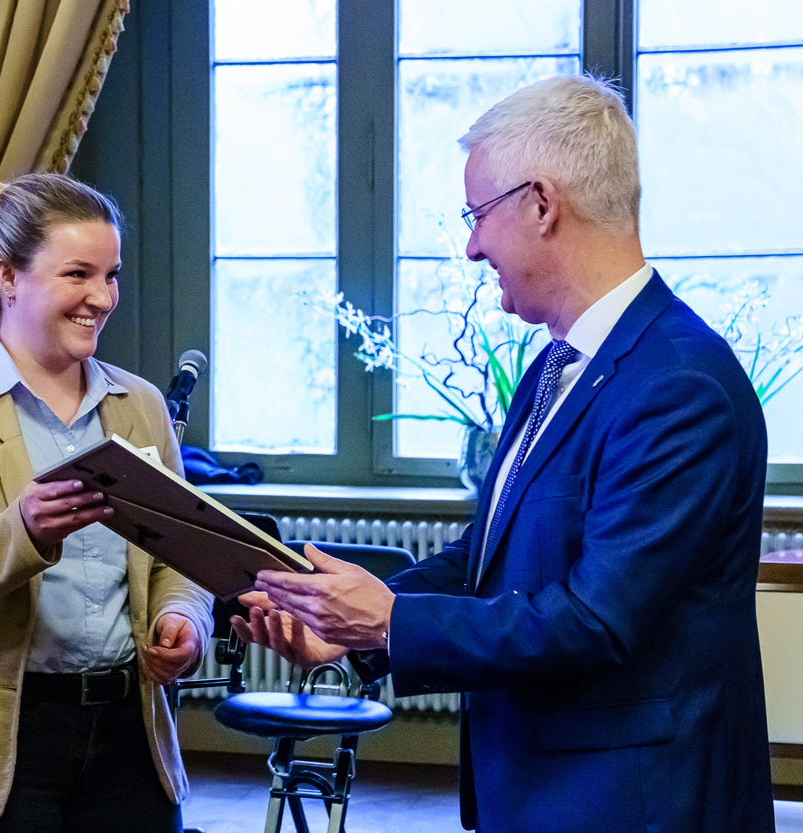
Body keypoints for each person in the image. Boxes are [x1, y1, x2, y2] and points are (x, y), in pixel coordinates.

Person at [241, 75, 773, 833]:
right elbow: (490, 556)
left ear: (542, 204)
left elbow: (596, 621)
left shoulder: (679, 384)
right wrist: (346, 624)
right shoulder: (556, 364)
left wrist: (391, 622)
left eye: (478, 214)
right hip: (541, 792)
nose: (471, 246)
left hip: (632, 805)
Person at [0, 173, 214, 831]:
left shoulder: (141, 405)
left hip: (130, 736)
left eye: (111, 276)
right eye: (78, 274)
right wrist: (22, 532)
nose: (101, 298)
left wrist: (184, 618)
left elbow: (183, 555)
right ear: (7, 276)